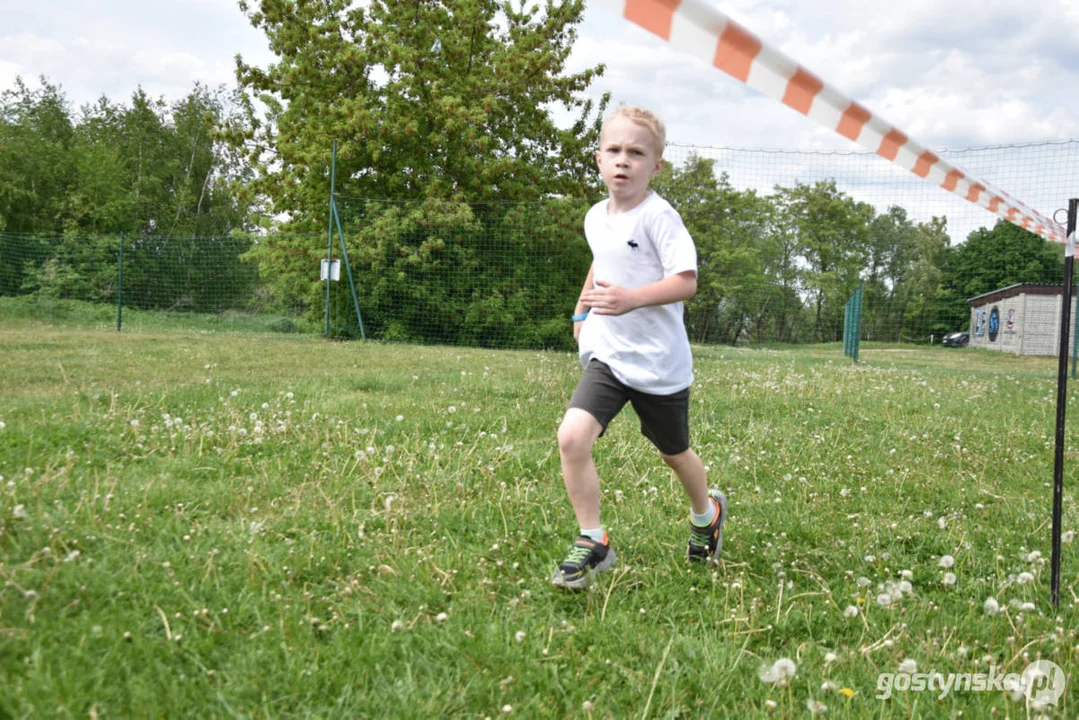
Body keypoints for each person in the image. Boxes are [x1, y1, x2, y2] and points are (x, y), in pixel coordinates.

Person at [551, 106, 727, 591]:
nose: (623, 161)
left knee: (674, 452)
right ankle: (593, 539)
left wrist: (631, 299)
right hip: (609, 355)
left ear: (656, 166)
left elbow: (686, 281)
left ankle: (705, 513)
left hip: (658, 363)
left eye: (636, 153)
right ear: (598, 159)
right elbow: (600, 262)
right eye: (614, 151)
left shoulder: (660, 217)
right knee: (572, 437)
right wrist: (581, 311)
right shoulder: (595, 216)